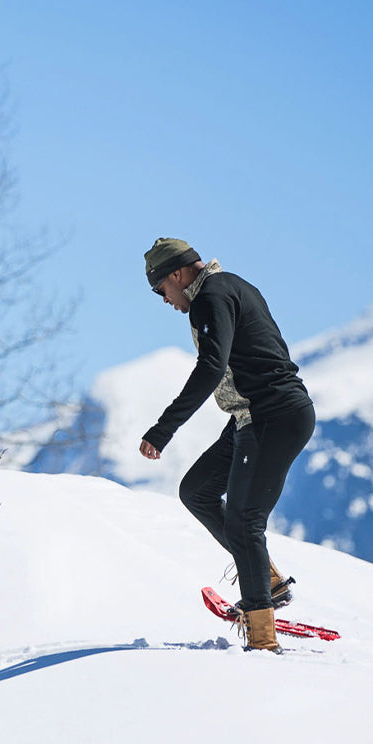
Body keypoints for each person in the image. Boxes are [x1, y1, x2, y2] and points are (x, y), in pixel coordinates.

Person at [138, 239, 315, 652]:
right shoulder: (231, 286)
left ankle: (262, 637)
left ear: (178, 275)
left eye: (160, 289)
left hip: (273, 415)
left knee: (244, 520)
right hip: (251, 416)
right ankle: (266, 578)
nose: (163, 300)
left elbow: (211, 367)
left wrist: (164, 429)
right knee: (196, 491)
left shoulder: (211, 296)